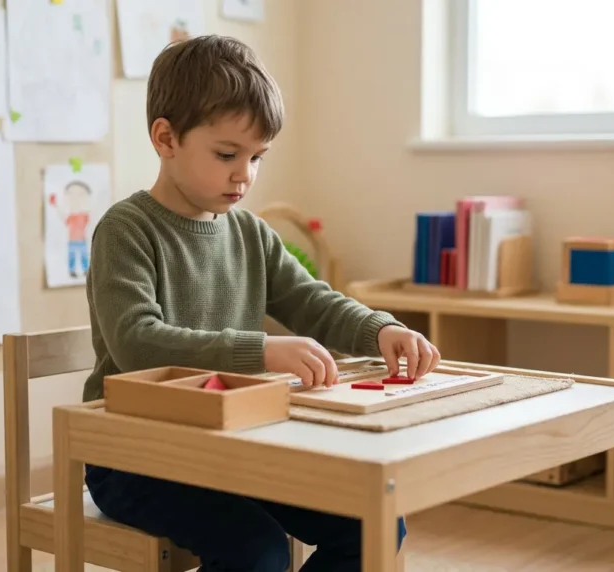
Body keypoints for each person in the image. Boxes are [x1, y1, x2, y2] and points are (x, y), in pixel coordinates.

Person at [81, 35, 439, 572]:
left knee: (375, 525)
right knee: (257, 551)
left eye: (257, 157)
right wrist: (262, 351)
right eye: (227, 154)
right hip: (135, 455)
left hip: (233, 443)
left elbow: (312, 301)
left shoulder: (249, 232)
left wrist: (378, 328)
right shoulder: (126, 230)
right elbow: (136, 343)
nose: (244, 174)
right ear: (166, 138)